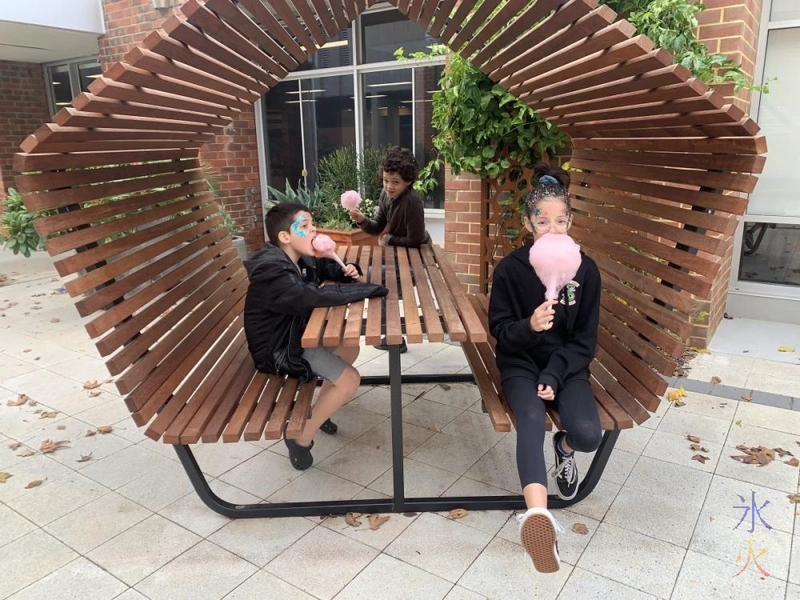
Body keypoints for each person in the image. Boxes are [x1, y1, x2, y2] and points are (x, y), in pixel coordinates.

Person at [488, 163, 602, 574]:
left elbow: (584, 340)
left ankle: (565, 449)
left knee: (588, 434)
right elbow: (499, 330)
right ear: (527, 223)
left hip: (566, 368)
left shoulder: (585, 271)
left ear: (570, 221)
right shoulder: (510, 270)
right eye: (542, 221)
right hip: (519, 362)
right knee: (532, 421)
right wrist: (529, 327)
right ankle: (539, 518)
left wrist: (554, 374)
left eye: (560, 220)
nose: (552, 229)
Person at [244, 202, 388, 470]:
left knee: (349, 346)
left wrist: (348, 271)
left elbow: (322, 271)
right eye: (305, 227)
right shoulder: (271, 270)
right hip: (279, 349)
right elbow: (310, 296)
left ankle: (317, 414)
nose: (313, 231)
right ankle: (299, 437)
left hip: (295, 333)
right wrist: (365, 289)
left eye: (312, 225)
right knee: (349, 379)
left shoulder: (299, 257)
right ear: (285, 237)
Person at [348, 146, 431, 353]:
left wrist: (389, 239)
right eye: (386, 180)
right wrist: (362, 221)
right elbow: (377, 227)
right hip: (400, 256)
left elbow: (415, 240)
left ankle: (392, 336)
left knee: (379, 281)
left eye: (395, 182)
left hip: (417, 260)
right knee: (373, 277)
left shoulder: (412, 203)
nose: (389, 186)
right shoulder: (385, 196)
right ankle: (389, 332)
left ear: (408, 181)